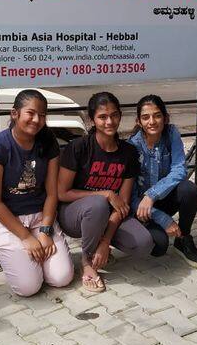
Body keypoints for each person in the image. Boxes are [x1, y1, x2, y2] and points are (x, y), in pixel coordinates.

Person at [58, 92, 154, 292]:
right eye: (102, 117)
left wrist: (106, 241)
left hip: (109, 216)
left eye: (114, 115)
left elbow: (124, 204)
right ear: (92, 119)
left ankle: (99, 248)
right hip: (73, 214)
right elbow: (62, 193)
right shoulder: (79, 147)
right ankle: (87, 262)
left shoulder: (128, 152)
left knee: (144, 243)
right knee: (98, 204)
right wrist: (106, 193)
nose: (109, 121)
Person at [0, 89, 74, 296]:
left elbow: (51, 193)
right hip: (8, 220)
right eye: (30, 113)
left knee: (61, 278)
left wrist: (45, 231)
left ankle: (22, 257)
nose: (36, 120)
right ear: (14, 114)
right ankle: (5, 253)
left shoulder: (48, 142)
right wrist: (25, 237)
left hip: (39, 217)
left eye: (42, 115)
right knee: (28, 287)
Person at [129, 95, 197, 268]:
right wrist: (163, 219)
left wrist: (152, 195)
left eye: (157, 115)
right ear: (139, 121)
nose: (152, 121)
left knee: (189, 190)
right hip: (143, 209)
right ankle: (157, 231)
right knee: (159, 247)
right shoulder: (132, 147)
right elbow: (131, 198)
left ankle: (183, 238)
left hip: (161, 198)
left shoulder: (171, 133)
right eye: (145, 117)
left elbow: (179, 169)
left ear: (165, 117)